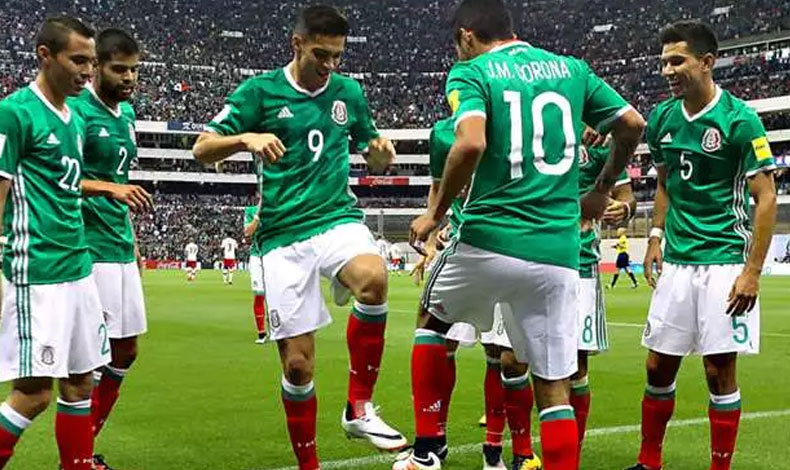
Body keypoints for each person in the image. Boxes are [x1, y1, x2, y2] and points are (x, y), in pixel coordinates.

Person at [396, 1, 645, 469]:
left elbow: (471, 141)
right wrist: (601, 189)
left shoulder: (471, 72)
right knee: (554, 386)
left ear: (467, 36)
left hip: (489, 238)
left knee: (432, 322)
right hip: (557, 252)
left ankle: (427, 451)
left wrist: (435, 214)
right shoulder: (571, 70)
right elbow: (632, 124)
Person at [192, 5, 406, 469]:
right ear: (297, 44)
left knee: (374, 278)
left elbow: (371, 153)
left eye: (337, 56)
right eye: (320, 54)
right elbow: (202, 148)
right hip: (281, 237)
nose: (330, 65)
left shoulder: (349, 93)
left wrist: (381, 156)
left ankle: (359, 407)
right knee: (297, 366)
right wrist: (246, 138)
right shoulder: (260, 92)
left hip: (335, 218)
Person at [627, 21, 777, 470]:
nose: (667, 71)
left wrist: (751, 272)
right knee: (657, 366)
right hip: (677, 260)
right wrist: (655, 235)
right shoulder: (662, 119)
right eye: (663, 63)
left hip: (724, 260)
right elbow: (665, 183)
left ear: (707, 62)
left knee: (718, 370)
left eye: (677, 61)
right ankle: (649, 462)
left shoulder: (739, 119)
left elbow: (766, 197)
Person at [0, 16, 130, 470]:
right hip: (38, 273)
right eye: (78, 61)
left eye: (91, 62)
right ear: (45, 56)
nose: (87, 71)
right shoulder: (15, 113)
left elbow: (68, 192)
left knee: (80, 385)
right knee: (33, 394)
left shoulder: (73, 118)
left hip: (78, 268)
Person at [408, 117, 541, 470]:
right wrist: (432, 231)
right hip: (461, 244)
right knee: (442, 342)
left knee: (500, 353)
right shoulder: (441, 133)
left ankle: (493, 451)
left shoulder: (513, 122)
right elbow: (438, 188)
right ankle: (435, 440)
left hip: (504, 243)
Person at [69, 27, 153, 470]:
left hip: (120, 246)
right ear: (96, 66)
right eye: (119, 69)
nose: (129, 78)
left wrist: (134, 246)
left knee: (126, 352)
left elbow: (120, 184)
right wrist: (108, 188)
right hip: (89, 246)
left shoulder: (128, 115)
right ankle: (79, 458)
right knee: (90, 361)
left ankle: (85, 448)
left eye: (134, 70)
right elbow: (58, 176)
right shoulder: (77, 111)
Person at [573, 131, 636, 466]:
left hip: (581, 263)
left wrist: (623, 209)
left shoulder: (602, 143)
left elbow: (627, 198)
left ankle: (570, 455)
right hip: (533, 255)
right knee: (516, 360)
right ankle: (520, 451)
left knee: (576, 366)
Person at [244, 202, 267, 344]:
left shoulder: (277, 207)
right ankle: (262, 333)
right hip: (257, 256)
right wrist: (258, 215)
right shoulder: (250, 211)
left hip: (274, 255)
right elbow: (248, 232)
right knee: (259, 294)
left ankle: (277, 329)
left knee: (278, 294)